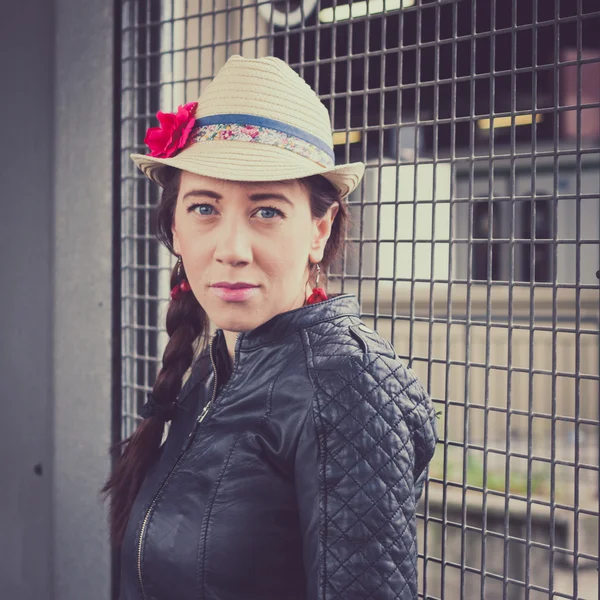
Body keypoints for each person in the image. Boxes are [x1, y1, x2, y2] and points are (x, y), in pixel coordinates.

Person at [104, 55, 438, 600]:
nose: (232, 250)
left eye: (266, 211)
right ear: (175, 229)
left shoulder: (345, 384)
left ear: (319, 230)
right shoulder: (219, 367)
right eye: (205, 207)